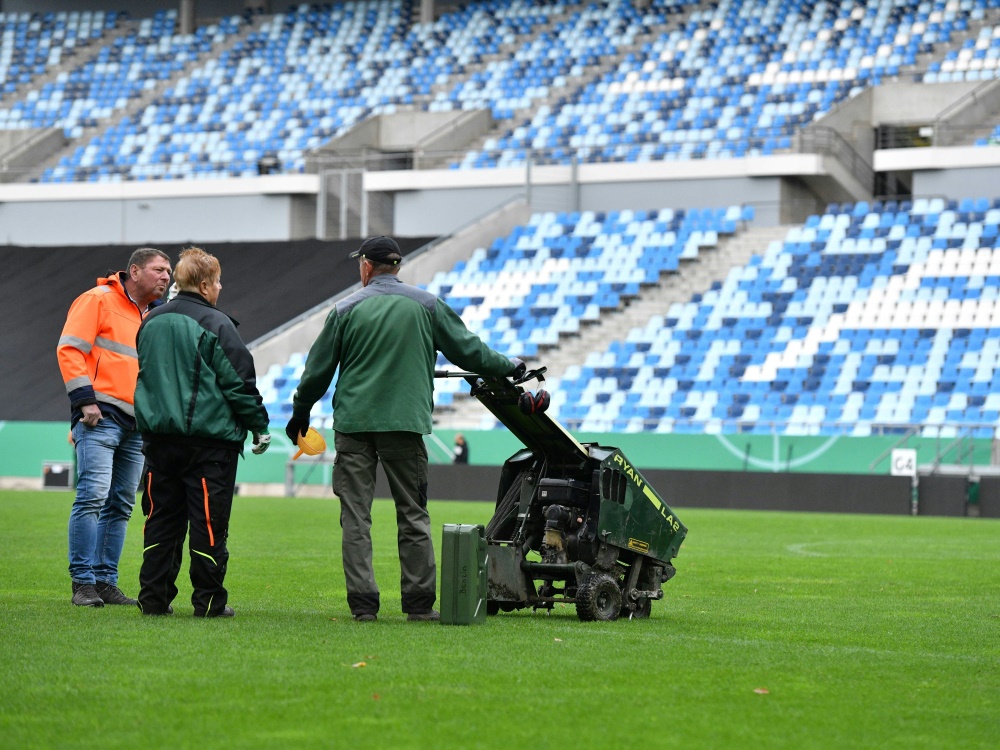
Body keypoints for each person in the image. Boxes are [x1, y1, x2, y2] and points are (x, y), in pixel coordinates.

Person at [286, 236, 525, 623]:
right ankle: (418, 604)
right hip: (405, 424)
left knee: (356, 517)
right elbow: (470, 352)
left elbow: (316, 373)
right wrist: (507, 365)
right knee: (412, 514)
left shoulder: (344, 309)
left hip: (355, 427)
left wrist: (300, 414)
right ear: (397, 267)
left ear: (366, 267)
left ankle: (363, 605)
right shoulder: (427, 305)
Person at [133, 247, 271, 617]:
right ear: (206, 282)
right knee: (208, 525)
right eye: (219, 280)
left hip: (158, 442)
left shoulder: (150, 321)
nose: (221, 287)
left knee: (160, 521)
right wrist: (259, 426)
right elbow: (239, 383)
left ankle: (153, 600)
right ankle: (208, 602)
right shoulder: (218, 324)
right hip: (209, 446)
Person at [57, 247, 172, 607]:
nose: (166, 277)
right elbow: (70, 350)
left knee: (121, 503)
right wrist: (84, 400)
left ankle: (105, 581)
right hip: (99, 417)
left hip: (137, 426)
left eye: (169, 271)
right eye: (159, 270)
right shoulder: (98, 300)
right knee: (92, 496)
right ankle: (83, 583)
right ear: (134, 271)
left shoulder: (152, 315)